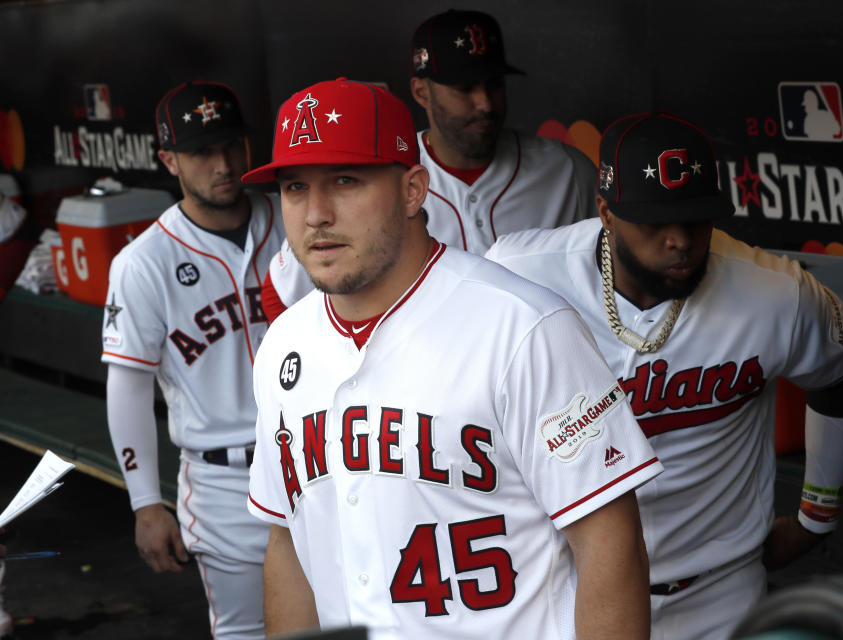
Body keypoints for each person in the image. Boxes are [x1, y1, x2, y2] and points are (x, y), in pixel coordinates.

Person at [243, 78, 664, 640]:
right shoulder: (283, 346)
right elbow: (287, 544)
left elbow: (610, 544)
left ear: (414, 189)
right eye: (295, 187)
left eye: (345, 181)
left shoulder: (523, 327)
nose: (316, 213)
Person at [485, 112, 843, 640]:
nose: (680, 240)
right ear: (606, 213)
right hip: (565, 590)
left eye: (695, 218)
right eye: (655, 220)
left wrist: (815, 516)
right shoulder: (520, 275)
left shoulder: (775, 294)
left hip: (715, 594)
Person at [257, 8, 598, 323]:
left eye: (493, 84)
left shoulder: (568, 171)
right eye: (464, 88)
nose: (484, 103)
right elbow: (279, 294)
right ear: (421, 92)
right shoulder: (383, 173)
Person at [101, 81, 285, 639]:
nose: (224, 163)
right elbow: (128, 385)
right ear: (169, 160)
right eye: (202, 151)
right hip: (223, 482)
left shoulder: (296, 220)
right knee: (245, 632)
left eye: (232, 144)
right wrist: (144, 502)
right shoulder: (144, 263)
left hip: (320, 461)